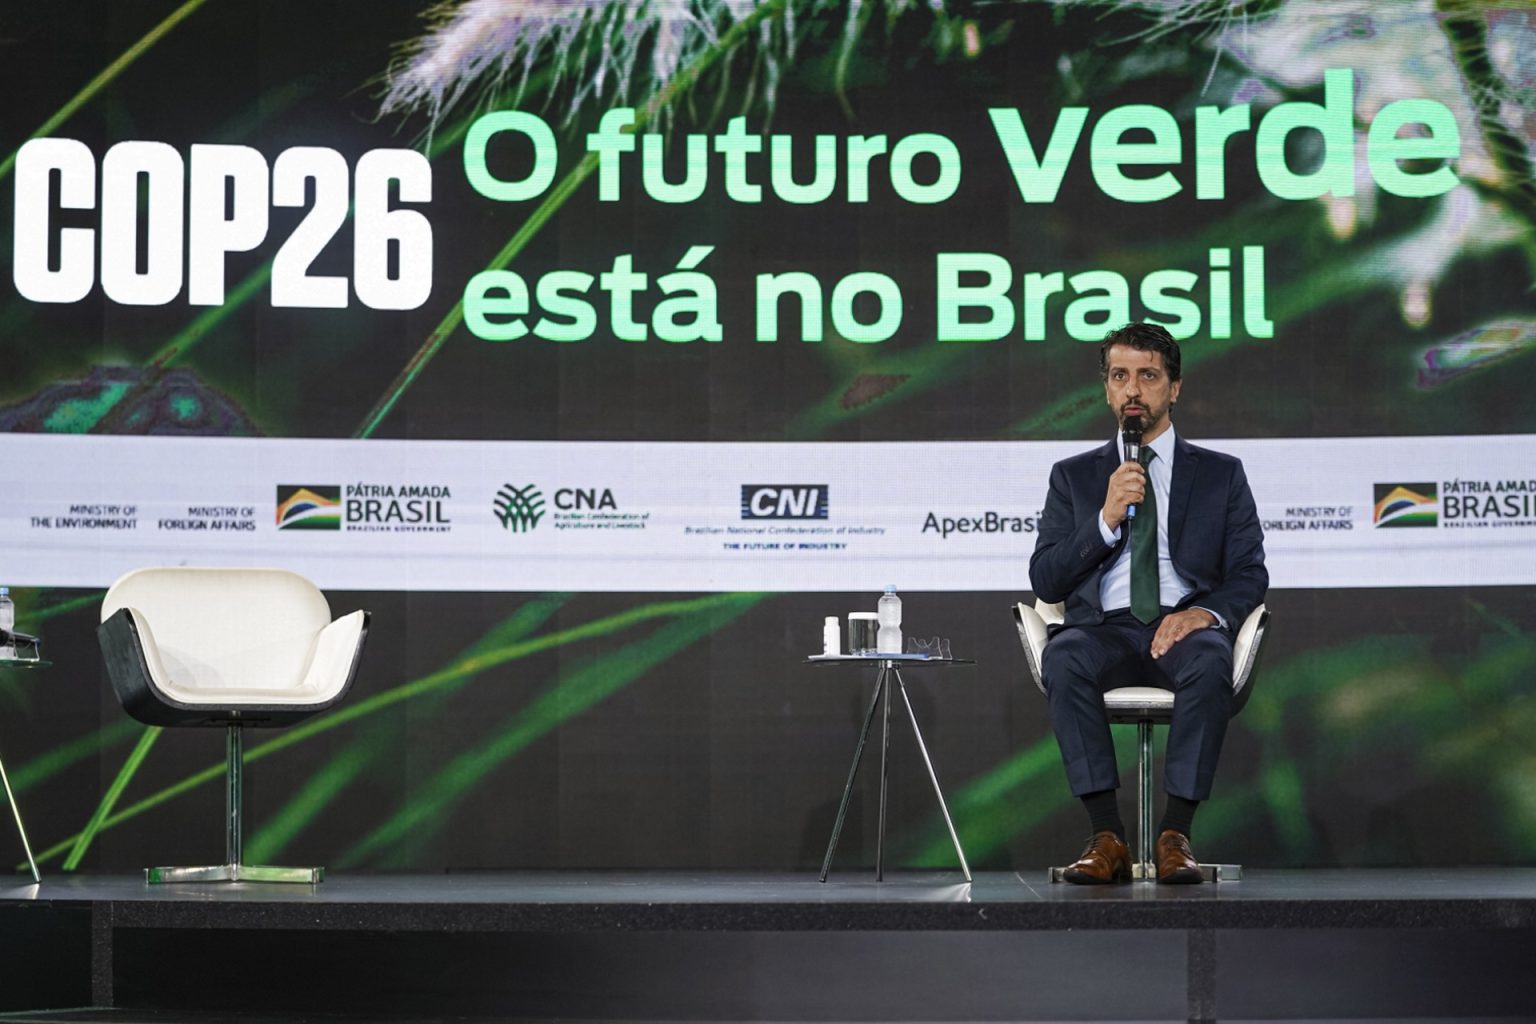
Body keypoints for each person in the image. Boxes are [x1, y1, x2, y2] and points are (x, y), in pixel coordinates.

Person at [1028, 322, 1267, 883]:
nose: (1133, 389)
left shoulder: (1221, 475)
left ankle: (1175, 836)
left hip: (1183, 628)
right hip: (1104, 629)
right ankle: (1106, 836)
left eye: (1148, 376)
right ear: (1107, 390)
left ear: (1174, 387)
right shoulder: (1073, 477)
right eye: (1120, 376)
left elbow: (1249, 572)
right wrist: (1105, 518)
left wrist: (1202, 614)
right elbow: (1046, 578)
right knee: (1064, 656)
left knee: (1210, 658)